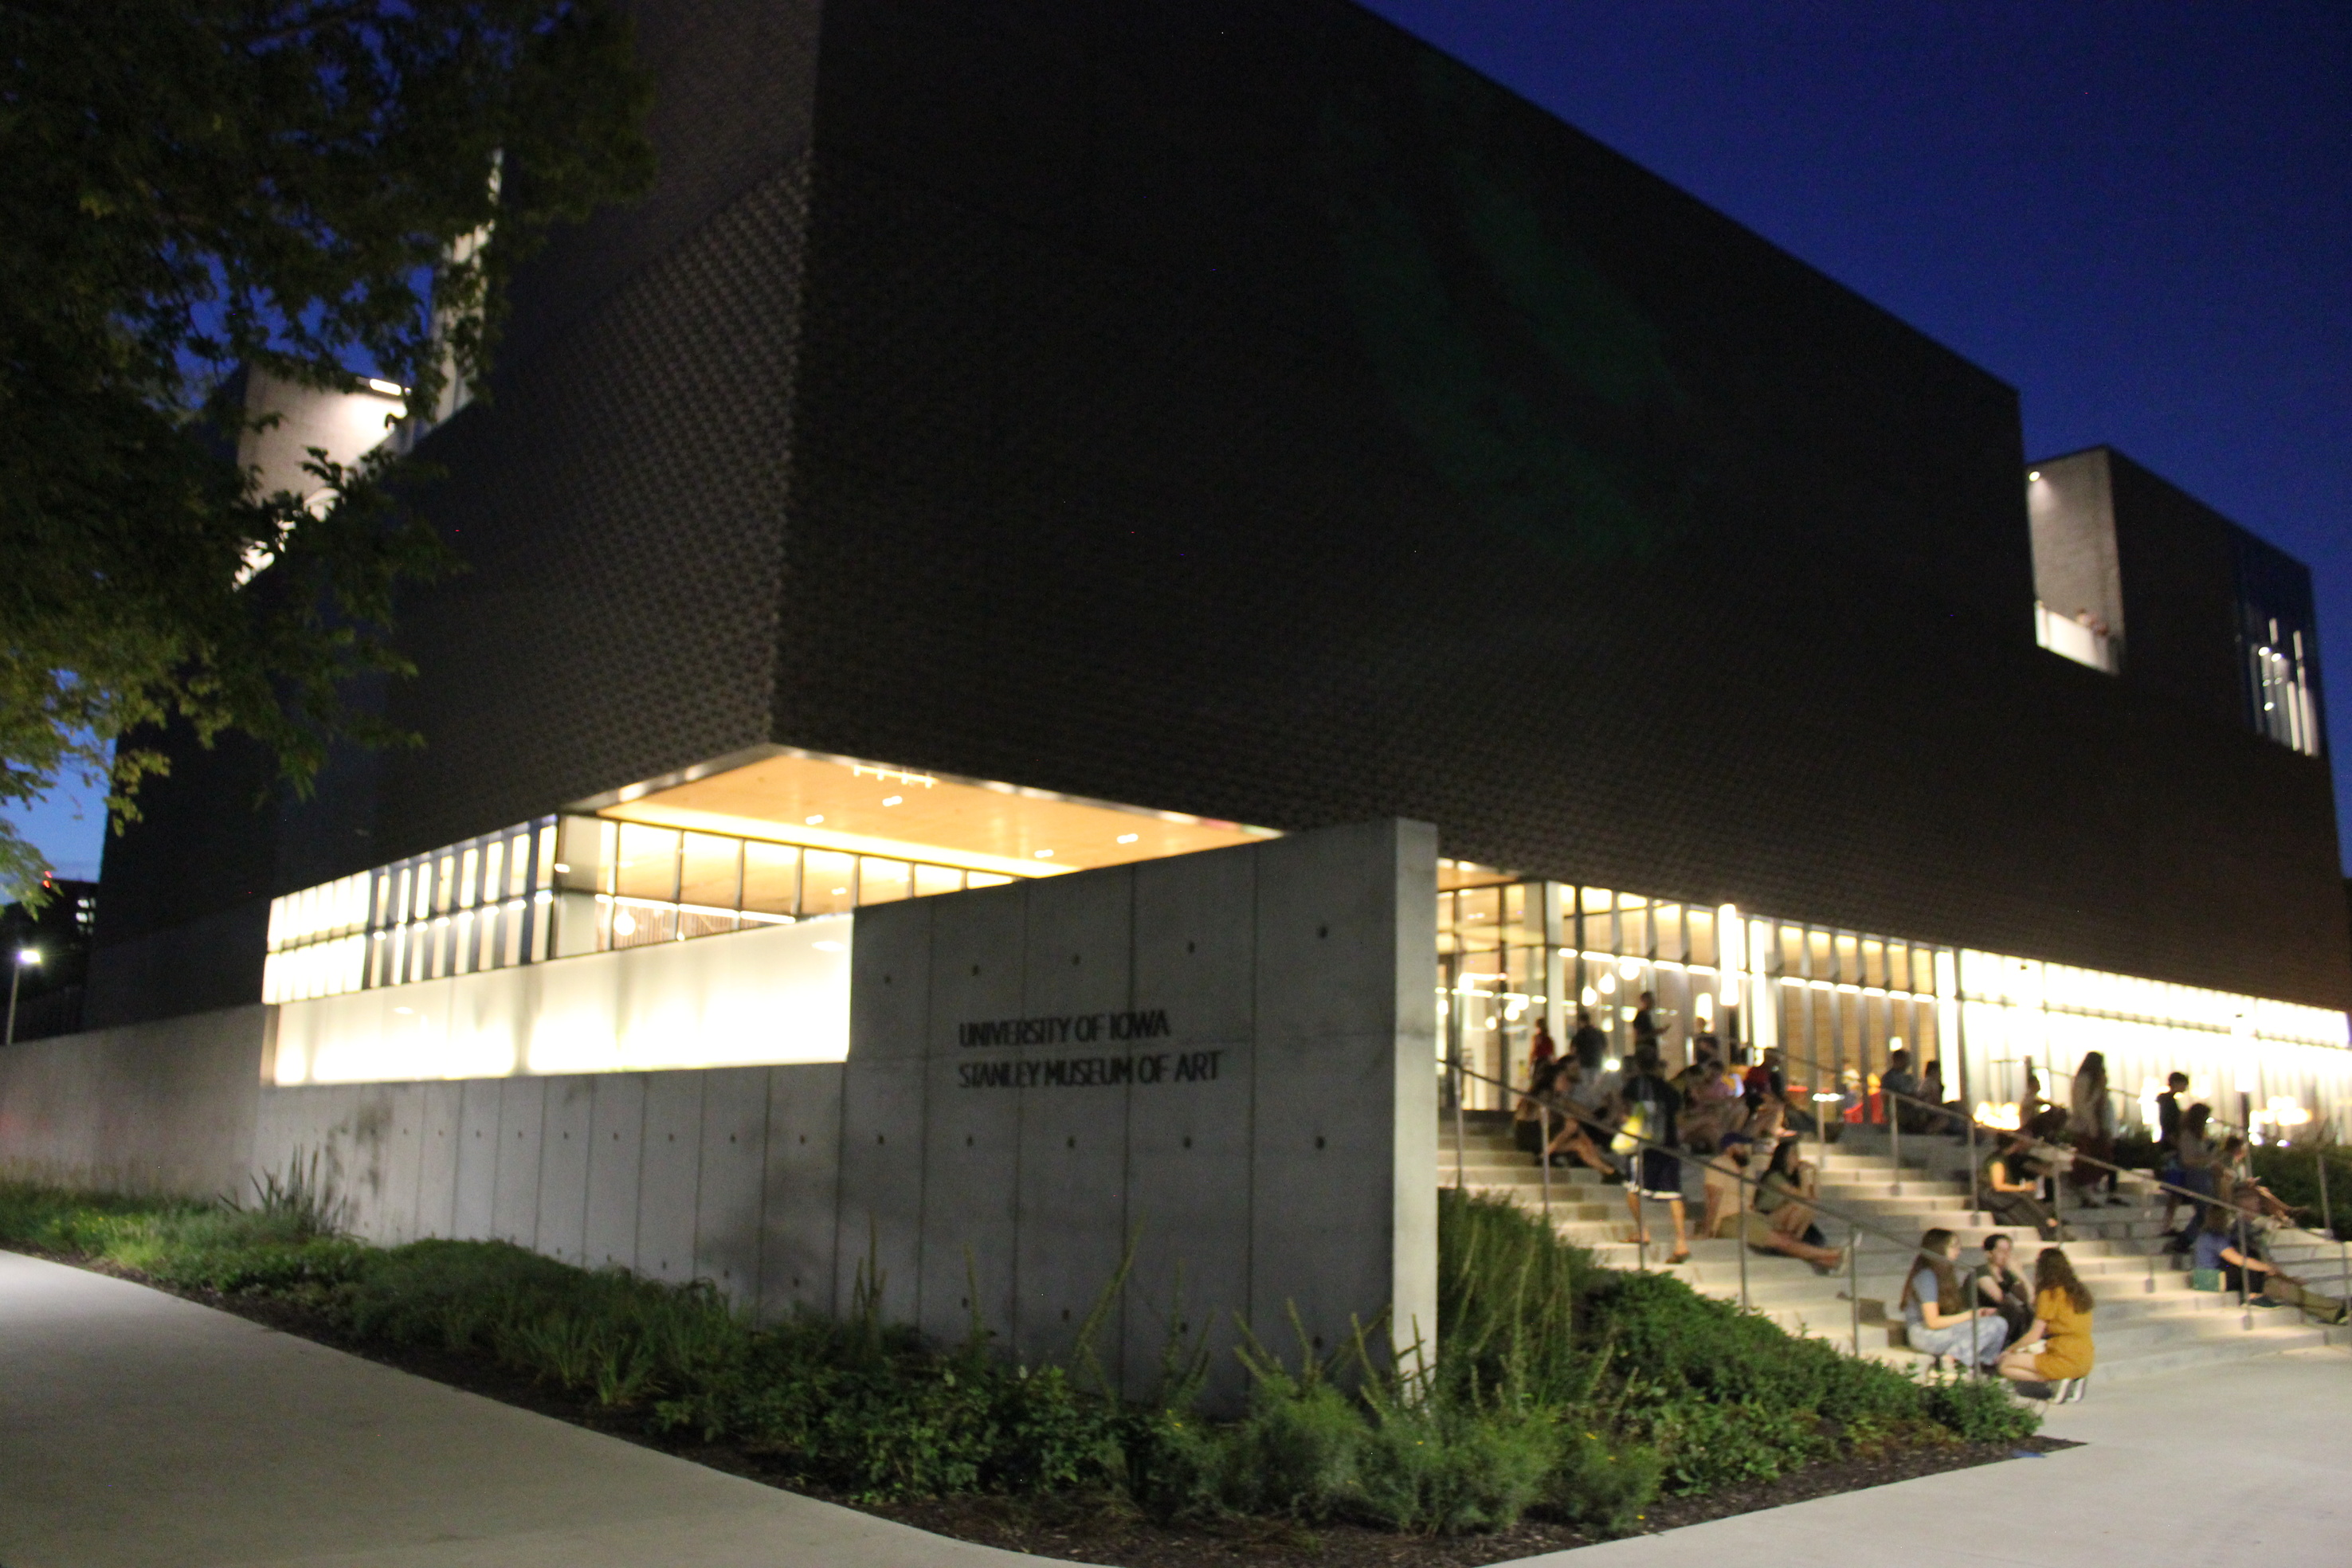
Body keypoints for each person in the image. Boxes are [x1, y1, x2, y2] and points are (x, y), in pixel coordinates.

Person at [2193, 1185, 2349, 1324]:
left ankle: (2335, 1310)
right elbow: (2240, 1260)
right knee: (2284, 1288)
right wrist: (2272, 1271)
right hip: (2221, 1279)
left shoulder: (2232, 1233)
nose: (2258, 1206)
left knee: (2289, 1287)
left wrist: (2282, 1275)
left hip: (2245, 1276)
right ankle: (2334, 1310)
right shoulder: (2216, 1236)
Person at [1617, 1044, 1689, 1264]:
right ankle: (1681, 1242)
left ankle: (1643, 1231)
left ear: (1638, 1064)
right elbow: (1679, 1119)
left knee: (1633, 1188)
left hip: (1645, 1146)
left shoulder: (1635, 1085)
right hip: (1668, 1144)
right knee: (1673, 1193)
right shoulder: (1669, 1089)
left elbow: (1624, 1112)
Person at [1902, 1227, 2009, 1370]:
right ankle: (1953, 1362)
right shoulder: (1926, 1276)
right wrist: (1971, 1315)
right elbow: (1932, 1322)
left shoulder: (1945, 1274)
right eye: (1953, 1247)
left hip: (1941, 1330)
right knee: (1990, 1326)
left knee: (1999, 1323)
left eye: (1958, 1247)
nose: (1958, 1251)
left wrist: (1979, 1314)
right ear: (1938, 1248)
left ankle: (1984, 1365)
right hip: (1923, 1333)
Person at [1997, 1248, 2095, 1394]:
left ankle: (2055, 1379)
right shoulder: (2078, 1291)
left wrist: (2009, 1351)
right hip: (2086, 1357)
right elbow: (2034, 1304)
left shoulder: (2050, 1293)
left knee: (2005, 1365)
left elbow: (2034, 1335)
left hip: (2063, 1355)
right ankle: (2069, 1378)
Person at [1978, 1129, 2062, 1240]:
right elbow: (1998, 1185)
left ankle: (2048, 1223)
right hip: (1992, 1195)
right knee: (2024, 1199)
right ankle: (2047, 1222)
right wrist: (2021, 1188)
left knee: (2028, 1199)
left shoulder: (2007, 1159)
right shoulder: (1997, 1160)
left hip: (2000, 1195)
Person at [1541, 1060, 1619, 1177]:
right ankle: (1609, 1171)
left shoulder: (1562, 1097)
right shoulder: (1550, 1098)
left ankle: (1608, 1170)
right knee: (1580, 1143)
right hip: (1547, 1137)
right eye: (1563, 1078)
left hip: (1570, 1130)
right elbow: (1570, 1125)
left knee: (1583, 1140)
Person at [2066, 1052, 2123, 1207]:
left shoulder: (2090, 1081)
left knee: (2099, 1158)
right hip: (2088, 1126)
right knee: (2090, 1158)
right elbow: (2084, 1105)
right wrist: (2093, 1126)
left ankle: (2092, 1190)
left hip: (2095, 1125)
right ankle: (2087, 1190)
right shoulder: (2085, 1081)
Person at [1970, 1233, 2036, 1346]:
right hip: (1979, 1320)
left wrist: (2021, 1275)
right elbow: (2002, 1299)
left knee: (2029, 1311)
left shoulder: (2007, 1275)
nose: (2006, 1255)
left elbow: (2030, 1300)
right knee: (2014, 1311)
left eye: (2009, 1251)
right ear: (1989, 1254)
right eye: (2002, 1251)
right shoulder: (1981, 1273)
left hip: (2000, 1319)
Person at [2155, 1072, 2191, 1232]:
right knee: (2175, 1189)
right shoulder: (2169, 1103)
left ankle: (2167, 1224)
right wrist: (2178, 1145)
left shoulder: (2168, 1102)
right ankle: (2167, 1224)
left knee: (2176, 1192)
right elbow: (2169, 1126)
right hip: (2172, 1148)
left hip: (2171, 1146)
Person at [1880, 1048, 1919, 1129]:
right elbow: (1886, 1097)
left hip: (1911, 1109)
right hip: (1899, 1110)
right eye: (1906, 1060)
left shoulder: (1908, 1078)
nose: (1908, 1063)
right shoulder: (1889, 1077)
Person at [1569, 1007, 1609, 1074]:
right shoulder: (1598, 1032)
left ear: (1581, 1021)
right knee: (1596, 1082)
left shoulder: (1580, 1034)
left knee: (1585, 1082)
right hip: (1597, 1062)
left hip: (1584, 1063)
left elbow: (1573, 1049)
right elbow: (1605, 1046)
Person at [1527, 1017, 1558, 1081]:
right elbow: (1552, 1054)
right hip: (1547, 1063)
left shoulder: (1537, 1038)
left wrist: (1529, 1067)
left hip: (1540, 1063)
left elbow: (1533, 1052)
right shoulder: (1549, 1040)